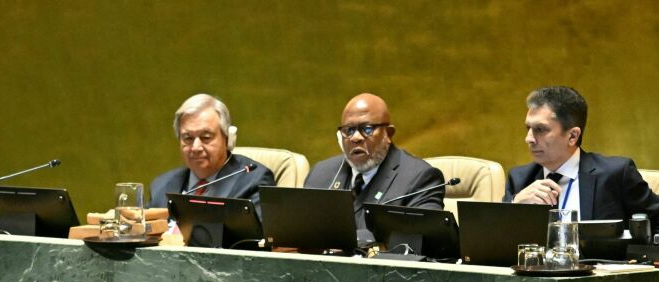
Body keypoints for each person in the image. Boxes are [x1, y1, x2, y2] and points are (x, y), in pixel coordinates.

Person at [503, 86, 659, 245]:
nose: (529, 139)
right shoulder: (520, 179)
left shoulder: (615, 174)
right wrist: (515, 205)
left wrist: (638, 267)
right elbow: (497, 243)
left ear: (572, 136)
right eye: (528, 128)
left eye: (540, 130)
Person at [304, 93, 445, 243]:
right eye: (349, 130)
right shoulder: (321, 174)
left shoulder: (419, 178)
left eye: (367, 129)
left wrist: (345, 239)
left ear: (388, 134)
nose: (355, 138)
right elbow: (301, 230)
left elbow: (424, 238)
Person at [148, 93, 275, 210]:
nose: (196, 147)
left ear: (227, 139)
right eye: (188, 138)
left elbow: (257, 234)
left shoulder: (254, 181)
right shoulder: (161, 185)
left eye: (206, 137)